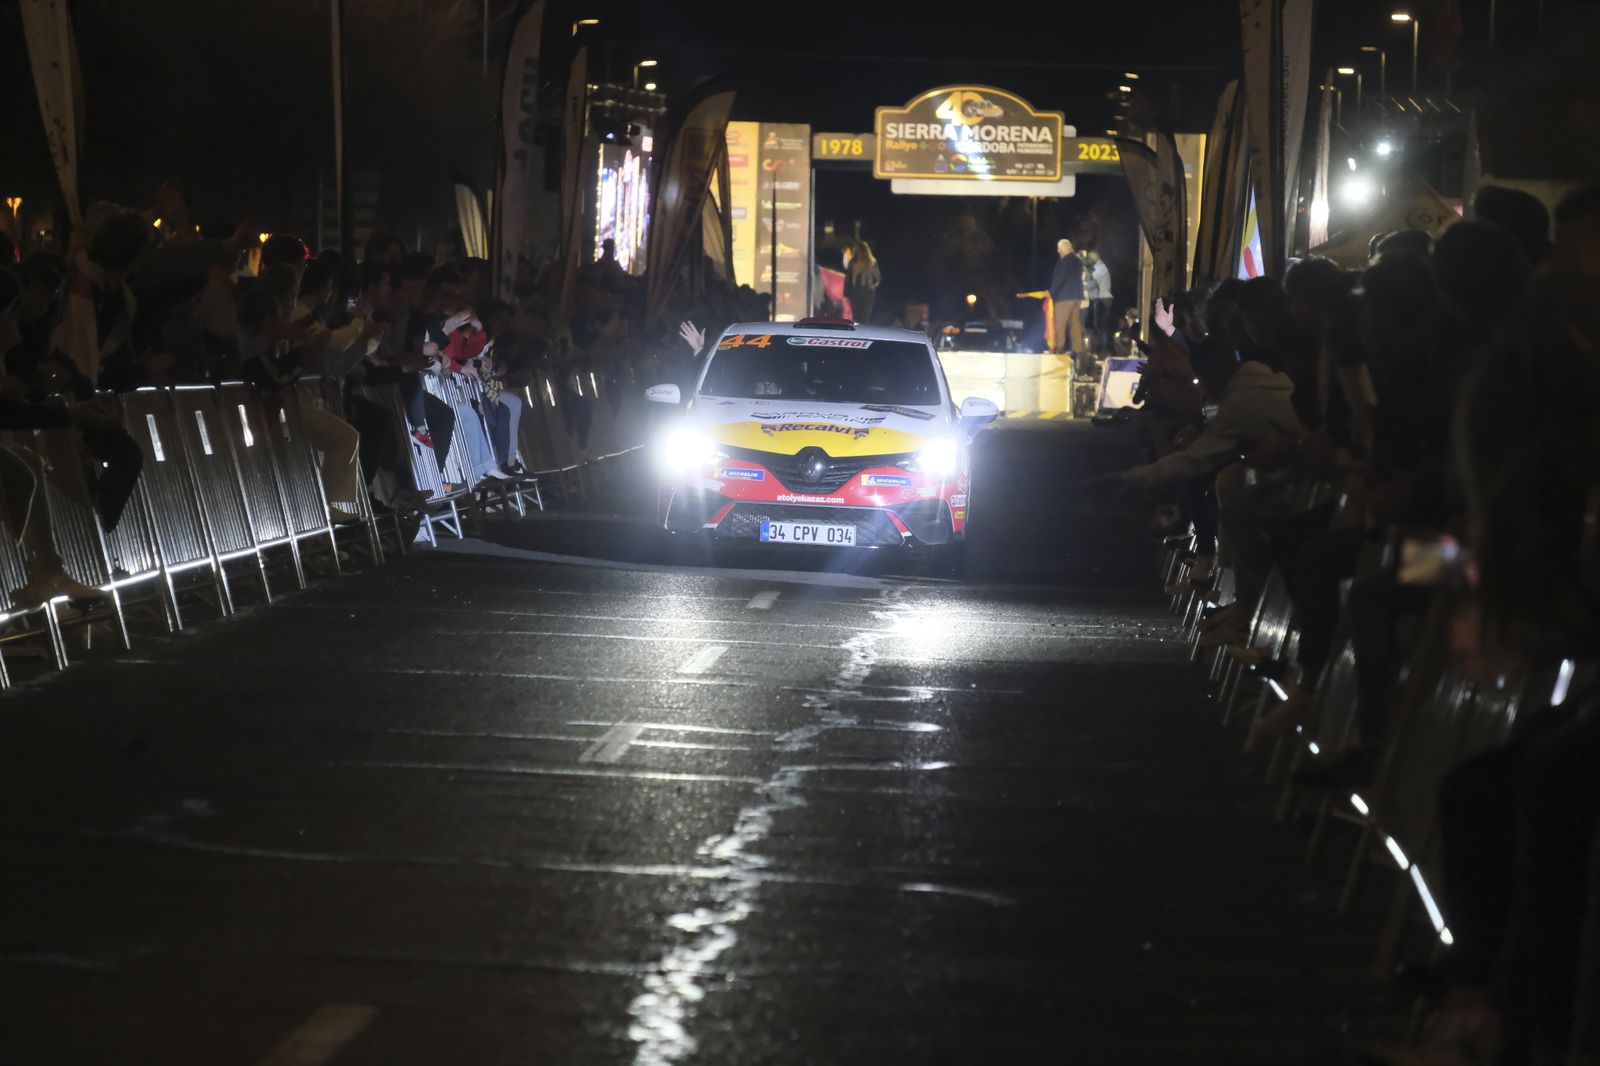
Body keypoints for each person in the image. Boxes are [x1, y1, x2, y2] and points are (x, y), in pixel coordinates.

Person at [1048, 238, 1085, 355]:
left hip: (1064, 298)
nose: (1058, 251)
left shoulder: (1063, 262)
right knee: (1075, 323)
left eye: (1059, 249)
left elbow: (1060, 279)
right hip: (1077, 296)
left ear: (1064, 249)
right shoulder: (1077, 261)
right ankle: (1079, 349)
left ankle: (1058, 350)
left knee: (1060, 324)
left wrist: (1051, 292)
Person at [845, 240, 882, 324]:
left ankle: (857, 331)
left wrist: (846, 292)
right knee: (865, 315)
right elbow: (877, 278)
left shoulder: (853, 262)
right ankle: (864, 331)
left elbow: (848, 279)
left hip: (855, 291)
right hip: (868, 291)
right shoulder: (872, 262)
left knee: (856, 314)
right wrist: (871, 286)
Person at [1086, 250, 1113, 354]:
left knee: (1100, 325)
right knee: (1101, 324)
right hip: (1103, 298)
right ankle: (1103, 347)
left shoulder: (1100, 268)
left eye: (1090, 259)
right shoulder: (1100, 267)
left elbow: (1092, 284)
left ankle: (1104, 348)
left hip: (1103, 299)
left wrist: (1086, 278)